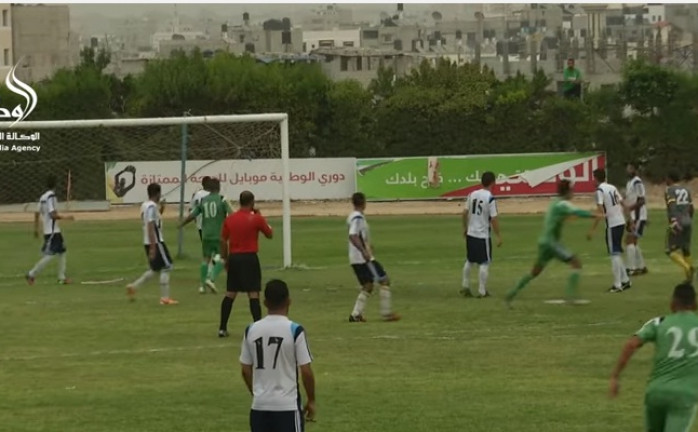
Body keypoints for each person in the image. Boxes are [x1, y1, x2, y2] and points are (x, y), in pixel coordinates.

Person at [609, 283, 698, 432]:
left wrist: (615, 376)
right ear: (695, 304)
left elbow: (631, 344)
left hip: (656, 392)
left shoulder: (659, 323)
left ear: (672, 303)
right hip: (684, 395)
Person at [506, 180, 601, 306]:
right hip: (552, 242)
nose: (573, 193)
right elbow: (578, 212)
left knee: (535, 272)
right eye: (572, 190)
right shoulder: (563, 204)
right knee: (576, 263)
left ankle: (512, 292)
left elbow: (560, 216)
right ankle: (570, 297)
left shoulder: (554, 203)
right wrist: (595, 215)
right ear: (567, 191)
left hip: (544, 241)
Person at [240, 279, 316, 432]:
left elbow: (245, 369)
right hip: (287, 406)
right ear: (289, 301)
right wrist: (311, 400)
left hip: (259, 406)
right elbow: (306, 371)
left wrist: (256, 392)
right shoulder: (295, 331)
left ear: (265, 303)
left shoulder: (251, 330)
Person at [218, 191, 273, 338]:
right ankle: (258, 328)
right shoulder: (256, 219)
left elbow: (223, 240)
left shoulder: (230, 219)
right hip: (249, 258)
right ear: (252, 202)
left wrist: (225, 258)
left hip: (235, 257)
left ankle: (222, 328)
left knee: (230, 293)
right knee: (253, 293)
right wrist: (260, 216)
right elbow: (269, 234)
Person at [347, 192, 400, 322]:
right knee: (384, 280)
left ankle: (355, 315)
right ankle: (386, 313)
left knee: (368, 285)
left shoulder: (353, 216)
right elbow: (353, 235)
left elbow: (358, 236)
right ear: (364, 203)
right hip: (362, 258)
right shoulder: (358, 218)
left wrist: (368, 245)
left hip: (355, 257)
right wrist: (364, 251)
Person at [125, 183, 178, 305]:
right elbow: (150, 225)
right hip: (156, 241)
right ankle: (165, 298)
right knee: (167, 266)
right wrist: (154, 247)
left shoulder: (145, 205)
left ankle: (134, 286)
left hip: (148, 241)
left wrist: (162, 209)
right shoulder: (151, 207)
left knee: (155, 269)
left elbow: (154, 220)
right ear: (158, 193)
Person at [179, 178, 231, 294]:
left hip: (206, 233)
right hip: (218, 234)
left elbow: (193, 215)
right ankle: (211, 278)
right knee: (222, 257)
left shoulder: (204, 200)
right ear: (218, 187)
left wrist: (182, 224)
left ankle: (202, 286)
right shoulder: (222, 200)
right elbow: (232, 215)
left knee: (206, 259)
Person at [588, 168, 632, 293]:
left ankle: (617, 285)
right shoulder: (612, 187)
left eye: (593, 177)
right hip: (620, 221)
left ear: (596, 178)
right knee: (617, 252)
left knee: (614, 254)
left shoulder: (599, 191)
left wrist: (592, 229)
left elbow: (600, 211)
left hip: (612, 224)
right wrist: (630, 219)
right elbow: (623, 203)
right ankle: (625, 280)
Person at [26, 174, 74, 285]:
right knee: (50, 255)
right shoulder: (51, 197)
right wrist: (67, 217)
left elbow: (37, 213)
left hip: (49, 230)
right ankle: (31, 274)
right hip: (53, 231)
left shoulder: (42, 197)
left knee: (62, 251)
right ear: (55, 185)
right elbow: (53, 214)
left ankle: (61, 277)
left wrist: (36, 229)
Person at [461, 171, 503, 298]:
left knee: (469, 260)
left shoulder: (472, 194)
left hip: (471, 233)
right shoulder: (490, 198)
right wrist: (498, 235)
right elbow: (494, 219)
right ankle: (482, 291)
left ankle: (465, 286)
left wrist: (465, 228)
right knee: (484, 263)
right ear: (493, 183)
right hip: (482, 235)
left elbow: (464, 213)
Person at [665, 171, 694, 283]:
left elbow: (672, 206)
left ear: (670, 179)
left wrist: (673, 221)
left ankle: (687, 267)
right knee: (685, 249)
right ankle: (689, 278)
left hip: (678, 221)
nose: (666, 181)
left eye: (666, 179)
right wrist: (689, 219)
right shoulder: (686, 189)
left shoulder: (670, 190)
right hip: (687, 221)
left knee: (669, 250)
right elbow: (691, 207)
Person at [625, 162, 649, 276]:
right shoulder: (630, 182)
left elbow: (641, 200)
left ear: (635, 169)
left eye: (629, 168)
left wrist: (630, 209)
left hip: (638, 215)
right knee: (633, 241)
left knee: (629, 240)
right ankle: (641, 266)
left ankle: (632, 268)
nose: (627, 170)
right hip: (633, 216)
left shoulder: (637, 182)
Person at [190, 176, 211, 241]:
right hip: (211, 224)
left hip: (200, 223)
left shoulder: (197, 194)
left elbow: (192, 209)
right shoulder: (213, 194)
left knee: (205, 244)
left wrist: (195, 218)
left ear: (202, 184)